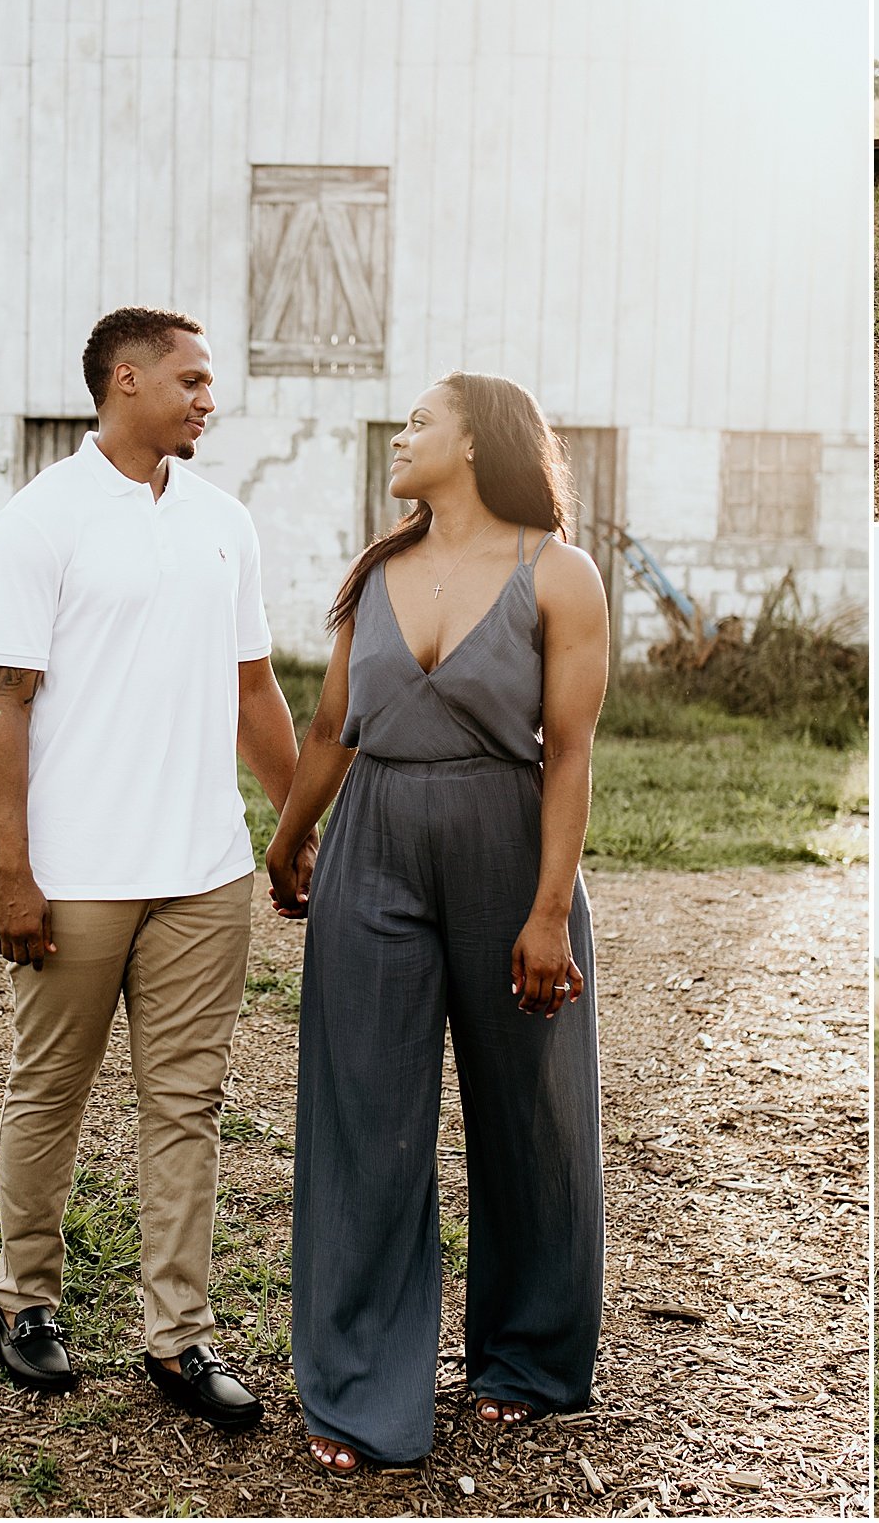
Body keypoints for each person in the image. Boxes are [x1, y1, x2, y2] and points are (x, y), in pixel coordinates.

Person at [260, 373, 611, 1476]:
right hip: (372, 846)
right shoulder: (377, 571)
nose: (401, 436)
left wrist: (548, 908)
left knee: (530, 1112)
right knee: (364, 1112)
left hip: (509, 846)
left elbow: (568, 754)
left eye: (420, 421)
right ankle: (362, 1386)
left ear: (474, 443)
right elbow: (328, 727)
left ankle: (528, 1357)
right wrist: (288, 835)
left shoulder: (558, 572)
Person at [0, 306, 311, 1429]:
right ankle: (25, 1302)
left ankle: (178, 1335)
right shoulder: (41, 517)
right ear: (126, 379)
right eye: (193, 379)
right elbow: (1, 705)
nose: (211, 397)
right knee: (48, 1092)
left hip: (202, 873)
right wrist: (12, 872)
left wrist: (297, 822)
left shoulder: (222, 520)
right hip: (75, 875)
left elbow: (253, 686)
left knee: (187, 1104)